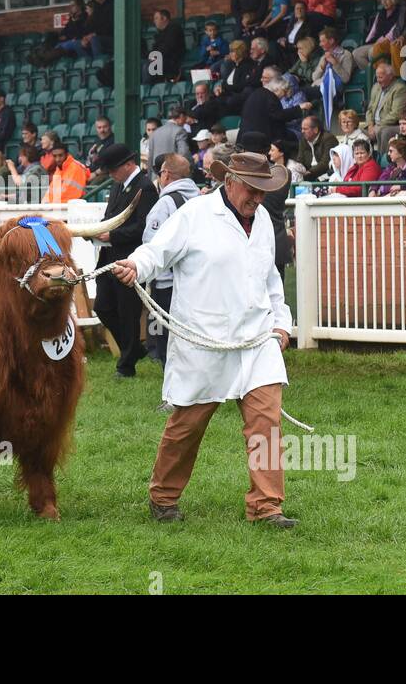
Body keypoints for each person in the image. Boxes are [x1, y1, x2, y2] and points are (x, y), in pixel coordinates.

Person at [111, 151, 297, 528]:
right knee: (188, 423)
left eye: (264, 190)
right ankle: (163, 497)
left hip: (256, 339)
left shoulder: (261, 219)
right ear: (228, 181)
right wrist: (135, 265)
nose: (258, 198)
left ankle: (266, 506)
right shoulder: (194, 216)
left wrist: (281, 323)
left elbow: (270, 280)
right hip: (204, 339)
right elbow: (156, 251)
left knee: (266, 423)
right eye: (252, 189)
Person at [92, 144, 157, 379]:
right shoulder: (119, 185)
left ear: (128, 164)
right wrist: (98, 230)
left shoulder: (146, 188)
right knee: (103, 307)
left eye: (113, 169)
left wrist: (112, 235)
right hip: (109, 257)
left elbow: (143, 227)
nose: (110, 174)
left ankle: (126, 365)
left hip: (130, 258)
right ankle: (134, 349)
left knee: (127, 311)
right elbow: (111, 217)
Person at [142, 153, 199, 366]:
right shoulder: (200, 200)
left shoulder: (165, 203)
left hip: (167, 283)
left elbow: (151, 241)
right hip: (195, 280)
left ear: (165, 174)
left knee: (167, 337)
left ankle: (173, 389)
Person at [353, 0, 402, 71]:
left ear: (394, 0)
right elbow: (373, 30)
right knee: (356, 53)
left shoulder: (399, 12)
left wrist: (381, 40)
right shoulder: (381, 13)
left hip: (388, 43)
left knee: (372, 51)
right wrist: (367, 42)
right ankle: (374, 74)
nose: (384, 2)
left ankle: (381, 74)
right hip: (376, 42)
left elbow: (393, 32)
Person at [365, 61, 406, 152]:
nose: (378, 80)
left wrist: (378, 126)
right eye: (377, 77)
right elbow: (369, 109)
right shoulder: (376, 87)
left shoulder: (399, 88)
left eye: (381, 77)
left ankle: (382, 160)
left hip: (389, 125)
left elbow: (396, 114)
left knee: (382, 132)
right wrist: (370, 125)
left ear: (390, 76)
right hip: (373, 125)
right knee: (357, 132)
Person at [142, 9, 186, 82]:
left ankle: (147, 90)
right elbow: (155, 49)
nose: (154, 21)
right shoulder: (160, 34)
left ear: (164, 18)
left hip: (171, 62)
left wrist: (155, 56)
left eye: (156, 18)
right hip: (160, 59)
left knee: (148, 66)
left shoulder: (174, 29)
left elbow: (168, 48)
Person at [297, 114, 337, 181]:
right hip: (308, 174)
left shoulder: (328, 138)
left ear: (315, 129)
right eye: (302, 129)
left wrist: (310, 172)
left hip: (325, 174)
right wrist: (297, 169)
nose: (302, 131)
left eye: (305, 129)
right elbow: (300, 159)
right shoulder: (303, 140)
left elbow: (325, 162)